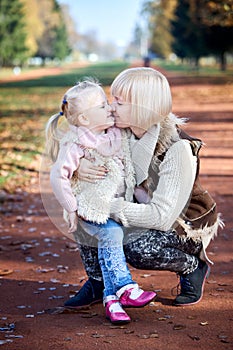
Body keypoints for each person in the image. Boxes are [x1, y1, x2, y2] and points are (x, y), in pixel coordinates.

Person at [64, 67, 223, 309]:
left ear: (141, 106)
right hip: (136, 206)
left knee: (134, 246)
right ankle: (98, 280)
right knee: (85, 212)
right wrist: (80, 166)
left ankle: (192, 266)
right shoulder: (118, 131)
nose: (110, 107)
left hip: (181, 224)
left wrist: (107, 207)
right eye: (111, 99)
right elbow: (80, 143)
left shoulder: (178, 148)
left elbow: (161, 217)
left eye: (118, 102)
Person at [45, 79, 156, 324]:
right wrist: (71, 208)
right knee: (112, 235)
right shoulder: (76, 144)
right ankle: (126, 288)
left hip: (114, 206)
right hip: (90, 209)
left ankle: (111, 300)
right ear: (84, 120)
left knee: (112, 239)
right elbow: (57, 175)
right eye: (103, 105)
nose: (110, 108)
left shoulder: (115, 133)